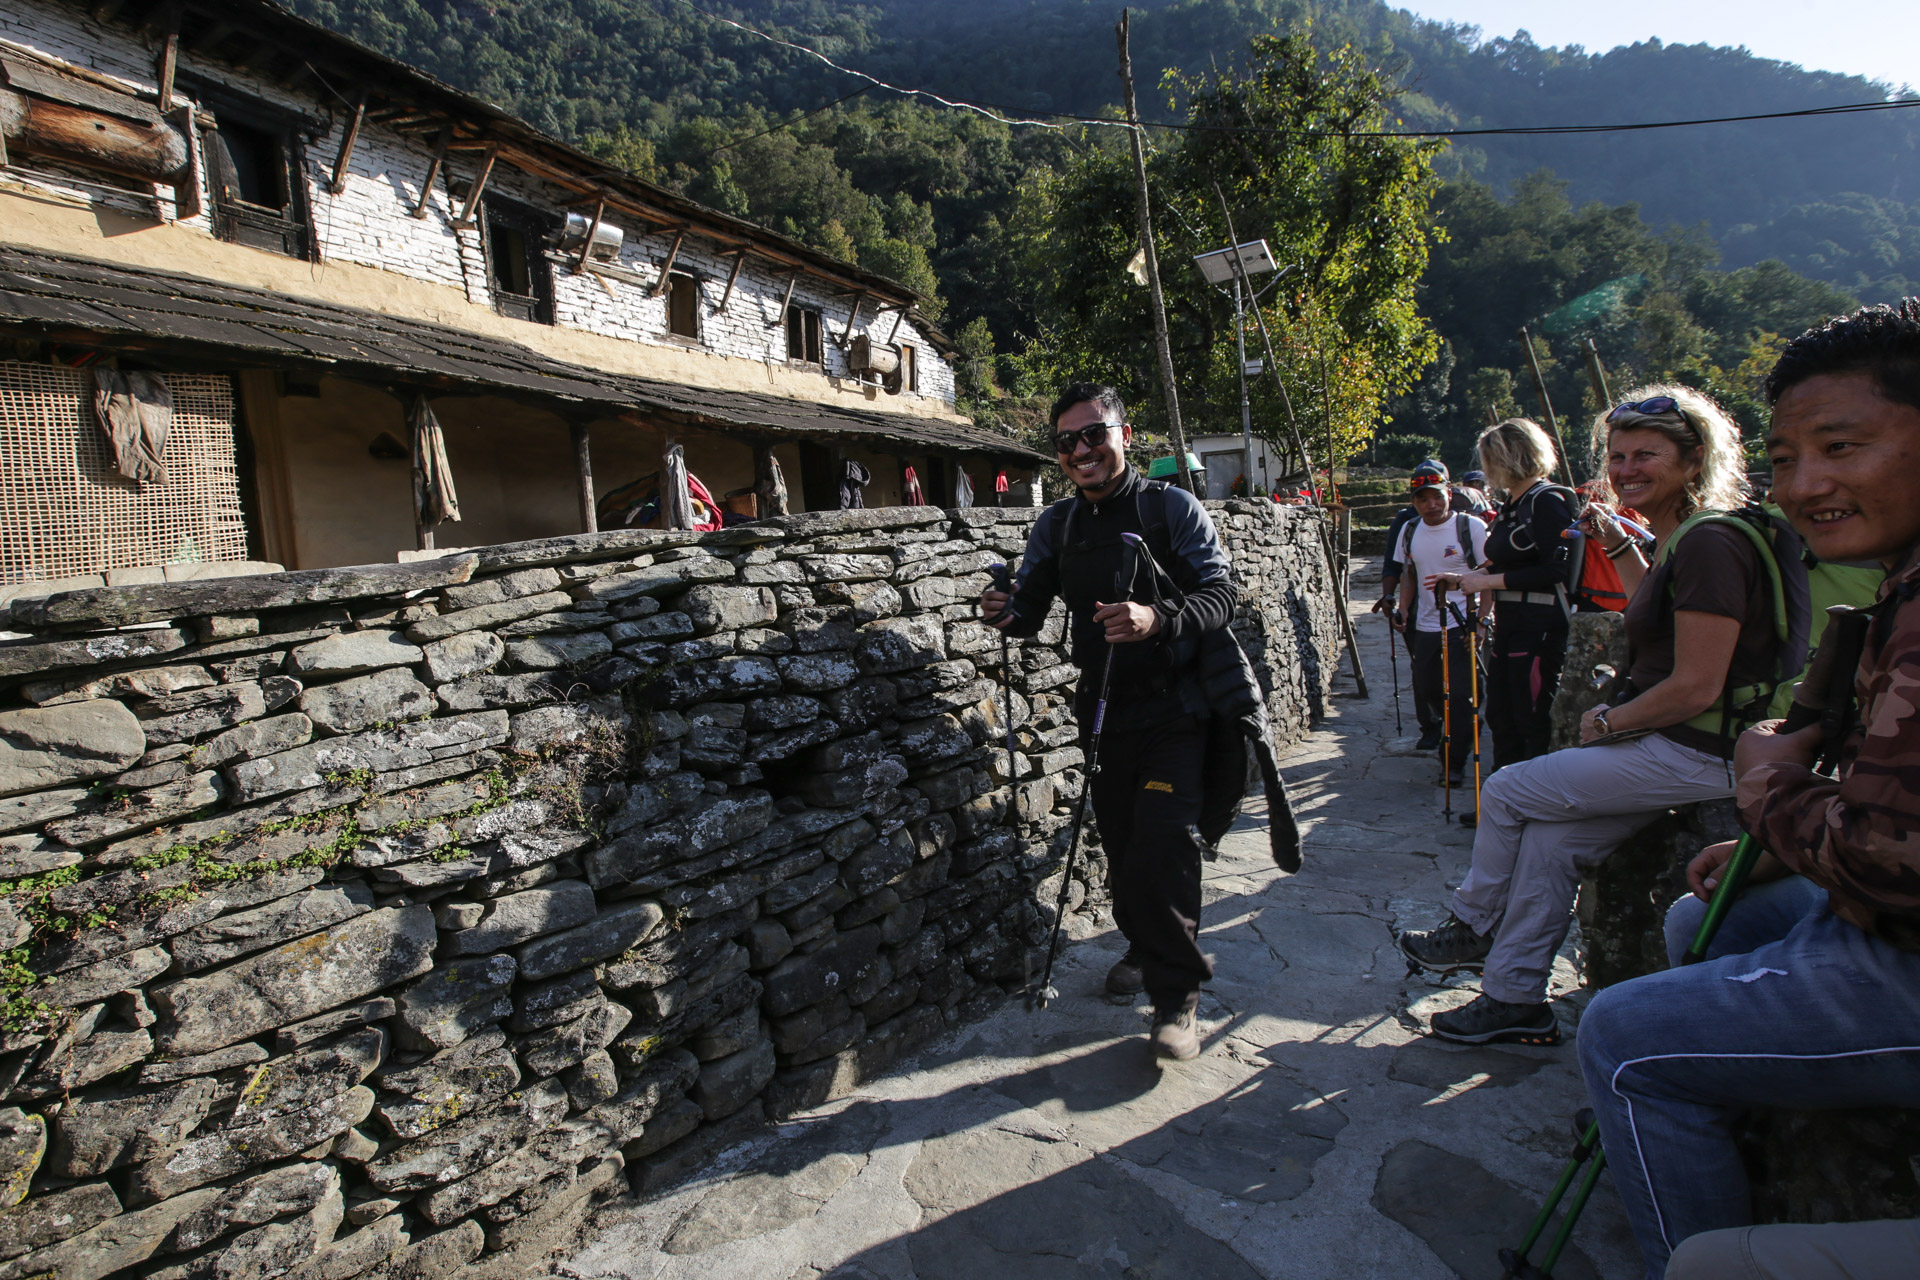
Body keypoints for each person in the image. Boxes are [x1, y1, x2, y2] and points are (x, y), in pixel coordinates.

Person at [1576, 300, 1920, 1280]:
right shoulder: (1891, 583)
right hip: (1863, 903)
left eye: (1842, 446)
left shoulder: (1723, 545)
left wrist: (1769, 794)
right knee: (1699, 924)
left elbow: (1886, 854)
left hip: (1894, 935)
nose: (1809, 482)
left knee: (1619, 1030)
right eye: (1790, 455)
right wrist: (1783, 840)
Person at [1400, 383, 1764, 1044]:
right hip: (1681, 745)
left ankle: (1474, 924)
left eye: (1644, 455)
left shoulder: (1711, 542)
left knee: (1509, 788)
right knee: (1549, 843)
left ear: (1693, 461)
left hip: (1696, 747)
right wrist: (1619, 545)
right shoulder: (1682, 540)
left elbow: (1697, 684)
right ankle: (1514, 999)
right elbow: (1645, 606)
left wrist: (1610, 724)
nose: (1624, 470)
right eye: (1617, 456)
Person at [980, 383, 1237, 1062]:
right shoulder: (1057, 526)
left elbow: (1222, 594)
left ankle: (1177, 995)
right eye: (1067, 442)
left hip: (1178, 706)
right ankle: (1145, 947)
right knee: (1123, 846)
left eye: (1094, 434)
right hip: (1103, 709)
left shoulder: (1170, 508)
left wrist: (1158, 619)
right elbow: (1027, 612)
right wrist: (1000, 609)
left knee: (1165, 839)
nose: (1082, 450)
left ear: (1125, 434)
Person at [1434, 419, 1579, 772]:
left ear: (1508, 457)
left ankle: (1531, 804)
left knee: (1530, 715)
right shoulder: (1514, 505)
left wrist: (1486, 582)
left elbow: (1555, 571)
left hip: (1540, 628)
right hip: (1513, 626)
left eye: (1490, 459)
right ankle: (1503, 799)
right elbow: (1503, 562)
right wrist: (1467, 577)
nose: (1487, 469)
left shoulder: (1546, 502)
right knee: (1501, 715)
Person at [1393, 462, 1492, 776]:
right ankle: (1461, 727)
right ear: (1413, 502)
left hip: (1463, 622)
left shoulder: (1470, 528)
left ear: (1449, 494)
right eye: (1422, 499)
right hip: (1426, 625)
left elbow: (1489, 574)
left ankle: (1455, 761)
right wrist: (1403, 607)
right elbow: (1408, 574)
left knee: (1460, 694)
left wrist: (1482, 621)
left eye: (1436, 496)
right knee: (1427, 688)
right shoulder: (1410, 530)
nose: (1430, 505)